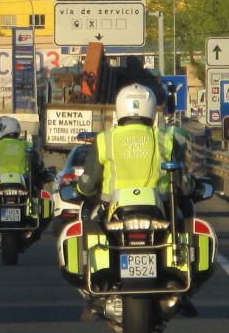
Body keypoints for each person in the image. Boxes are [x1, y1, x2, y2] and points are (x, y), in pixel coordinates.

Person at [77, 83, 200, 316]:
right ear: (152, 109)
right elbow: (184, 182)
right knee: (185, 218)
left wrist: (80, 190)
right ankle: (181, 281)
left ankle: (93, 284)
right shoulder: (166, 139)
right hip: (160, 209)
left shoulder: (105, 140)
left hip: (114, 210)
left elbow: (89, 182)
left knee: (88, 223)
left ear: (120, 109)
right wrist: (192, 187)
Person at [0, 115, 46, 194]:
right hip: (25, 184)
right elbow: (38, 164)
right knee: (36, 193)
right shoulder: (27, 145)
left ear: (5, 129)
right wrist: (44, 173)